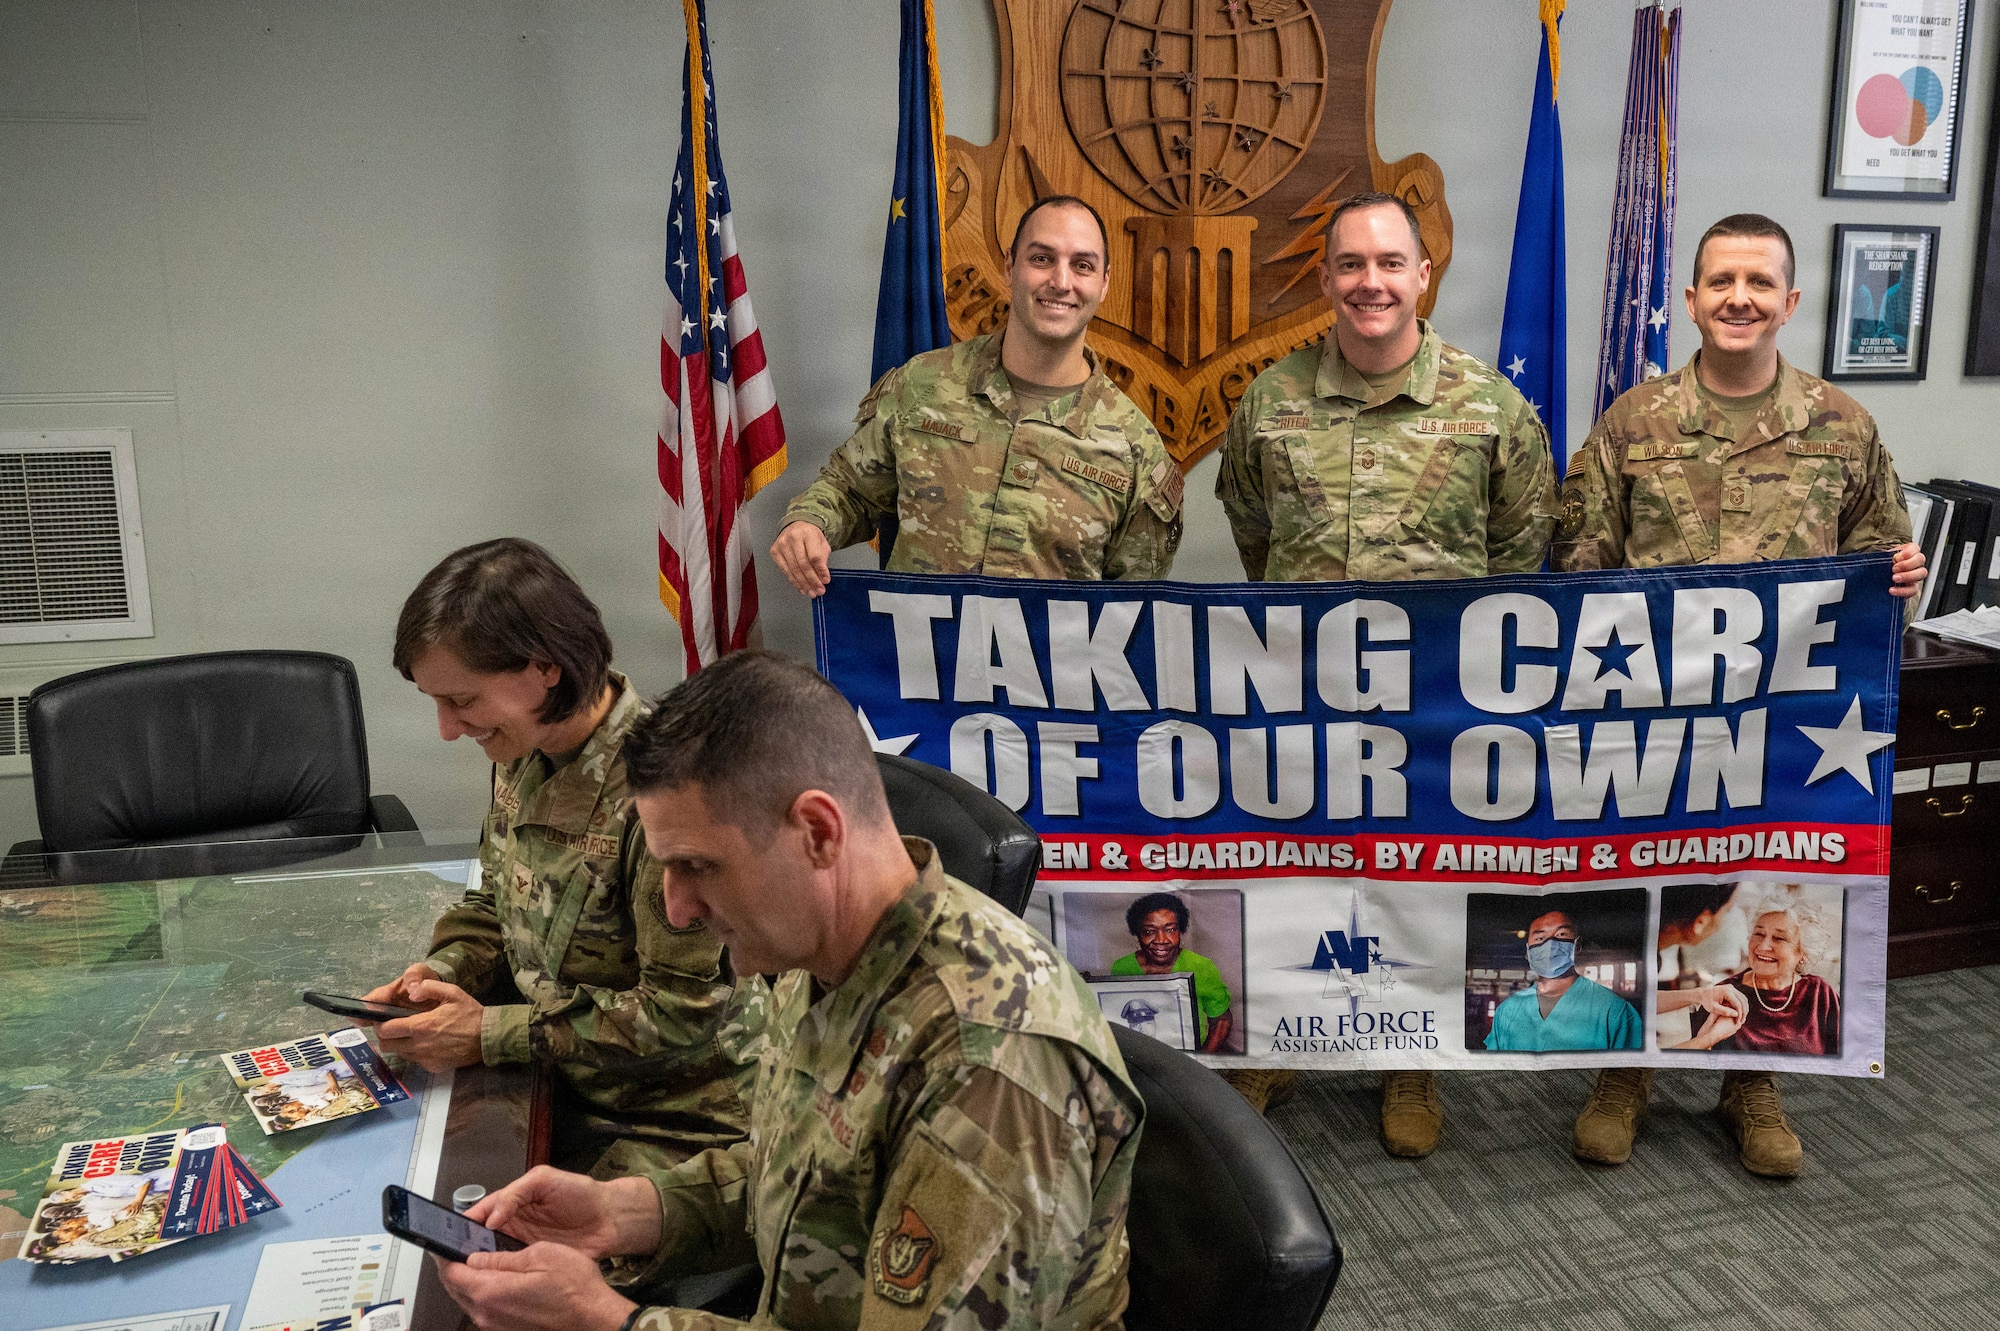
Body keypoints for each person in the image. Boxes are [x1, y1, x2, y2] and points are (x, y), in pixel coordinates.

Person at [435, 651, 1143, 1331]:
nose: (676, 908)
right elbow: (815, 1179)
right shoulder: (820, 950)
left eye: (697, 866)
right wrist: (635, 1210)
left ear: (817, 831)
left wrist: (612, 1322)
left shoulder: (989, 1064)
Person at [1553, 213, 1924, 1177]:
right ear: (1692, 298)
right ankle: (1626, 1067)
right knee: (1640, 876)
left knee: (1757, 878)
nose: (1740, 298)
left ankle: (1751, 1077)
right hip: (1654, 711)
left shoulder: (1842, 425)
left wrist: (1899, 574)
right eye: (1721, 281)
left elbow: (1879, 553)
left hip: (1783, 719)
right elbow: (1578, 560)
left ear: (1790, 302)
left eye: (1760, 282)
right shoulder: (1633, 421)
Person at [1214, 189, 1557, 1149]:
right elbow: (1254, 531)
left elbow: (1523, 555)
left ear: (1422, 275)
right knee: (1293, 870)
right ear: (1326, 279)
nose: (1371, 282)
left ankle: (1412, 1060)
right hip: (1304, 695)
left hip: (1440, 710)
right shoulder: (1271, 402)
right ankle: (1282, 1040)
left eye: (1389, 263)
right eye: (1351, 264)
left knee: (1423, 883)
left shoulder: (1490, 408)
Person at [362, 539, 759, 1176]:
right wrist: (439, 978)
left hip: (683, 1127)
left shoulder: (670, 790)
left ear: (544, 667)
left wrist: (489, 1035)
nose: (446, 729)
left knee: (500, 1264)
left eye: (462, 701)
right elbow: (496, 903)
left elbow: (681, 1013)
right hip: (556, 1088)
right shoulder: (522, 750)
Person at [770, 194, 1181, 593]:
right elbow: (850, 488)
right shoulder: (923, 384)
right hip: (921, 659)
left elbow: (1131, 609)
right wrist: (809, 522)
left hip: (1048, 664)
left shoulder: (1134, 449)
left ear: (1104, 283)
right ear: (1009, 266)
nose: (1060, 281)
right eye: (1042, 259)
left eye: (1083, 265)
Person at [1672, 904, 1841, 1058]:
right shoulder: (1723, 994)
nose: (1762, 946)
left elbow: (1841, 1058)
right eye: (1759, 934)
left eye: (1779, 938)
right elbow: (1698, 1061)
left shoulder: (1820, 993)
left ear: (1803, 953)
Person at [1483, 911, 1642, 1053]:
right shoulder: (1507, 1011)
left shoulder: (1613, 1010)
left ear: (1577, 945)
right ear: (1528, 952)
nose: (1550, 945)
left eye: (1561, 935)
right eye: (1540, 938)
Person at [1111, 891, 1234, 1053]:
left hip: (1191, 1055)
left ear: (1180, 931)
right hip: (1142, 1054)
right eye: (1149, 932)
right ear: (1138, 933)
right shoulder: (1121, 967)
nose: (1161, 940)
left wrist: (1202, 1060)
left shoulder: (1201, 966)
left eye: (1170, 930)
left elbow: (1221, 1020)